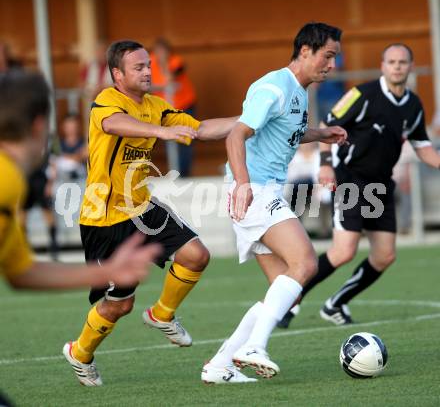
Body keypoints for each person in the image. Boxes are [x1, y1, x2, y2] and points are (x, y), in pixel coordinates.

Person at [63, 40, 237, 387]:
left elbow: (200, 129)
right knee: (118, 306)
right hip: (104, 219)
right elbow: (113, 125)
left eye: (148, 66)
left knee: (196, 255)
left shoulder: (157, 106)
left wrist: (250, 120)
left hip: (141, 206)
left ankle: (162, 314)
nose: (147, 72)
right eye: (139, 67)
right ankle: (80, 352)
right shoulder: (107, 101)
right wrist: (161, 132)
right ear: (118, 74)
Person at [0, 70, 161, 405]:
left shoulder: (12, 180)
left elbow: (19, 273)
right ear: (40, 125)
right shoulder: (7, 180)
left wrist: (105, 273)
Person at [201, 22, 347, 384]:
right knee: (306, 262)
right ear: (305, 51)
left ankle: (220, 365)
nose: (332, 65)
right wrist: (244, 184)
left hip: (264, 191)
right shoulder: (273, 87)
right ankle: (254, 348)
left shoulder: (297, 92)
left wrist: (320, 134)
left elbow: (285, 132)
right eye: (328, 56)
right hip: (255, 191)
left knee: (285, 291)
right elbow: (237, 135)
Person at [277, 43, 440, 329]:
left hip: (381, 185)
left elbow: (422, 147)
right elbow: (328, 124)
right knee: (343, 251)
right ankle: (290, 301)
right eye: (392, 61)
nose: (397, 66)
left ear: (411, 67)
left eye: (403, 62)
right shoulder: (363, 95)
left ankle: (336, 303)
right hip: (352, 178)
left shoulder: (413, 104)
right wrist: (326, 164)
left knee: (385, 255)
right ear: (382, 65)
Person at [150, 37, 197, 176]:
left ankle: (184, 174)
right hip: (165, 109)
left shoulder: (175, 61)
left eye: (163, 51)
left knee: (186, 138)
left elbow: (172, 75)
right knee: (168, 139)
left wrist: (164, 64)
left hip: (184, 105)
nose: (160, 54)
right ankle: (174, 172)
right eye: (157, 51)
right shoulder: (150, 62)